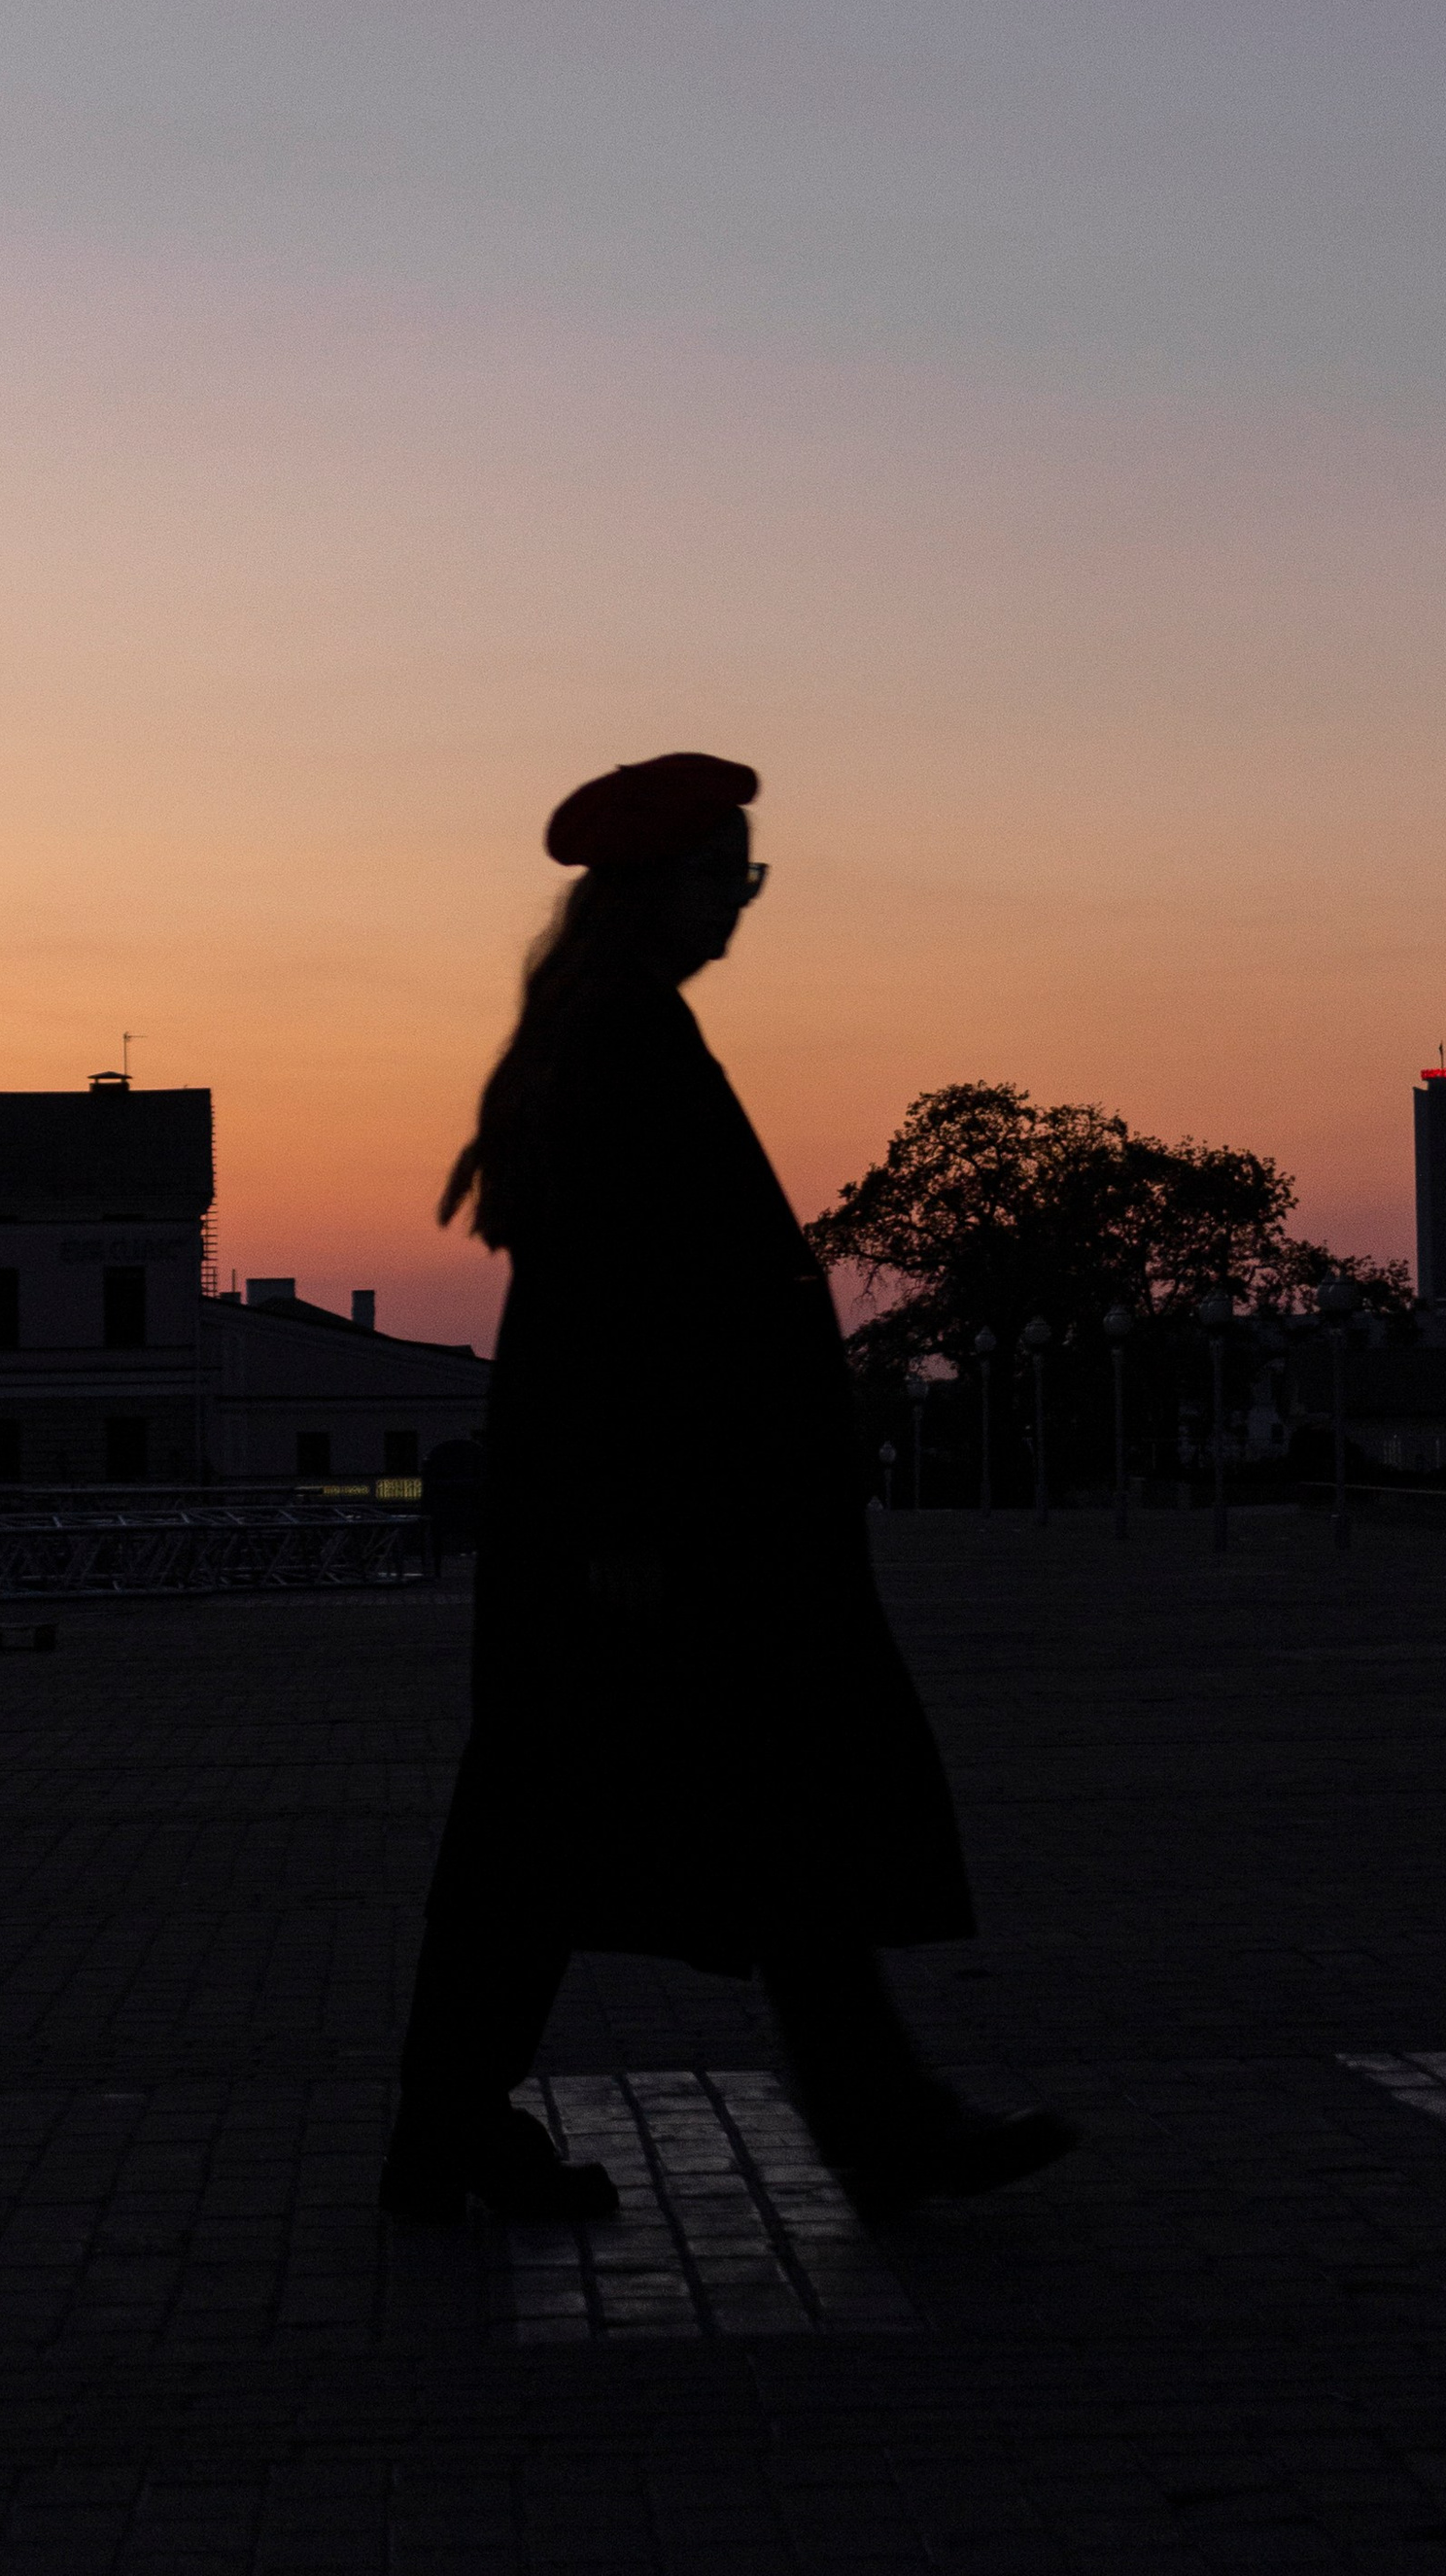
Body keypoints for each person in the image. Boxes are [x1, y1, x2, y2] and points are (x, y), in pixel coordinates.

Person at [382, 749, 1076, 2225]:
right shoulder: (626, 1044)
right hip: (668, 1534)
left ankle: (468, 2137)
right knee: (700, 1828)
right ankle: (874, 2132)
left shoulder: (605, 1030)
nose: (742, 909)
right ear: (658, 887)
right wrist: (630, 1528)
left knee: (620, 1833)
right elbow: (619, 1307)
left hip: (652, 1523)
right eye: (728, 877)